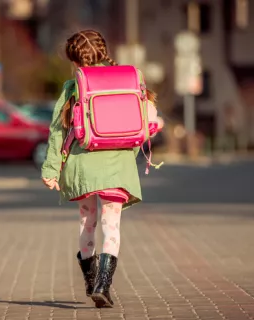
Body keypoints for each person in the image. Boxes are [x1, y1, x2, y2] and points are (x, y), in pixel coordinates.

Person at [41, 30, 164, 308]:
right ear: (103, 52)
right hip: (117, 165)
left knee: (88, 223)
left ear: (75, 62)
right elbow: (146, 123)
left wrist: (51, 169)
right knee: (112, 227)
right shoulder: (132, 79)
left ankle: (90, 280)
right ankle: (103, 286)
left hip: (83, 165)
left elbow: (58, 132)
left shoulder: (73, 87)